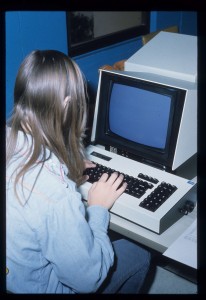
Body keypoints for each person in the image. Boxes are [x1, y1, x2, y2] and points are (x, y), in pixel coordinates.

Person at [6, 50, 151, 294]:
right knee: (140, 253)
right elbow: (89, 280)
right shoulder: (54, 194)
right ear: (65, 105)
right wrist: (97, 208)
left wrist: (63, 162)